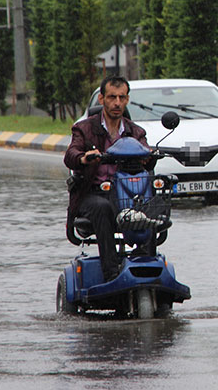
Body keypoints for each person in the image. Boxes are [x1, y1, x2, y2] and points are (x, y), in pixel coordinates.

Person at [64, 75, 156, 282]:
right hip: (93, 193)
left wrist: (148, 156)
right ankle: (111, 271)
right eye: (112, 97)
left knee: (149, 205)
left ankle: (146, 266)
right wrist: (84, 157)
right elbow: (71, 155)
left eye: (122, 97)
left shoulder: (135, 131)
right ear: (102, 99)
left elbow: (147, 155)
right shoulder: (84, 129)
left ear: (127, 100)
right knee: (102, 207)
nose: (117, 103)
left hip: (127, 193)